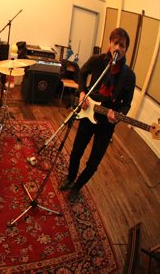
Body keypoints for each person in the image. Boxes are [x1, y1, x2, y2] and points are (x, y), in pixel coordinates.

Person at [58, 27, 136, 202]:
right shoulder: (98, 61)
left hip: (106, 124)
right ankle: (70, 178)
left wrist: (117, 115)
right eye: (115, 43)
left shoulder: (129, 76)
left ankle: (77, 187)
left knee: (93, 164)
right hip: (88, 113)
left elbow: (128, 104)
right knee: (76, 151)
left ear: (126, 49)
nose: (118, 47)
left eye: (122, 45)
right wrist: (82, 93)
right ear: (109, 44)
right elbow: (82, 72)